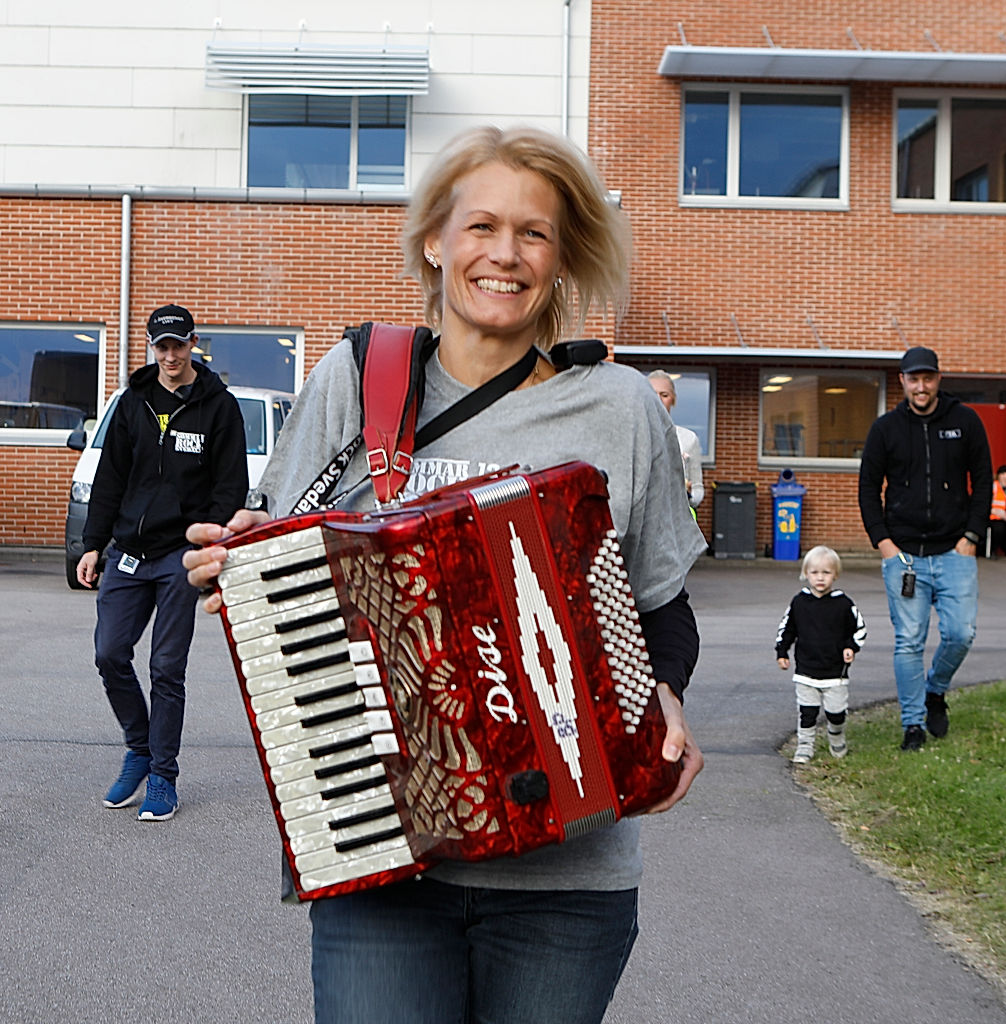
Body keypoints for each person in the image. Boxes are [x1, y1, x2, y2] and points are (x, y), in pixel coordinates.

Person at [183, 125, 706, 1024]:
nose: (505, 254)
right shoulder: (358, 379)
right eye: (482, 227)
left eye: (534, 233)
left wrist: (665, 694)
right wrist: (240, 561)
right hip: (381, 854)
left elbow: (663, 606)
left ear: (560, 258)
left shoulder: (618, 407)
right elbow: (278, 549)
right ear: (435, 240)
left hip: (567, 881)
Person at [78, 303, 248, 821]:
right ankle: (140, 749)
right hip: (129, 552)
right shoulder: (134, 402)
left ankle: (163, 777)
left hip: (180, 555)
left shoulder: (219, 407)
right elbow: (110, 477)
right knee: (109, 653)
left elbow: (230, 487)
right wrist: (93, 543)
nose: (170, 356)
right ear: (152, 347)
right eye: (162, 347)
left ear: (193, 343)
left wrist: (208, 548)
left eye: (178, 346)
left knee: (167, 668)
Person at [857, 345, 992, 751]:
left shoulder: (965, 421)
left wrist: (971, 537)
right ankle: (913, 724)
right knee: (909, 641)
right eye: (913, 379)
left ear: (938, 379)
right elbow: (868, 489)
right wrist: (884, 543)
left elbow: (983, 481)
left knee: (961, 634)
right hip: (904, 556)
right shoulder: (886, 429)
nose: (921, 386)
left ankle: (936, 689)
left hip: (955, 552)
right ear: (903, 381)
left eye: (927, 378)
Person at [774, 545, 867, 764]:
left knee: (836, 713)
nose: (820, 578)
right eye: (814, 572)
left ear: (835, 575)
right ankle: (805, 746)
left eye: (826, 572)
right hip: (806, 671)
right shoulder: (799, 602)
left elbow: (859, 629)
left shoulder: (843, 603)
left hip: (835, 672)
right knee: (807, 712)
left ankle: (836, 736)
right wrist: (782, 651)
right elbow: (787, 629)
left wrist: (851, 647)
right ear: (806, 574)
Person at [647, 369, 705, 508]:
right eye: (653, 394)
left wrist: (688, 496)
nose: (658, 400)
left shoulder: (688, 439)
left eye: (664, 395)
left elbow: (697, 489)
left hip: (675, 517)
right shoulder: (632, 437)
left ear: (673, 399)